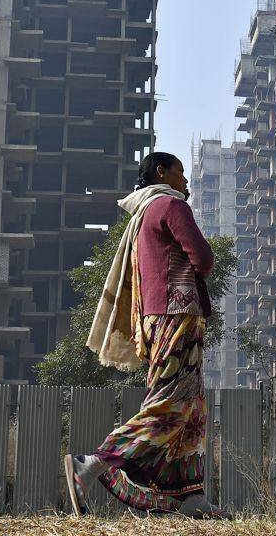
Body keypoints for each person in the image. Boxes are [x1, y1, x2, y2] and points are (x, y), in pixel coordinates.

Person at [63, 151, 225, 518]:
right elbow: (203, 258)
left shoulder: (142, 214)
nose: (186, 180)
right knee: (172, 402)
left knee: (191, 407)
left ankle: (191, 498)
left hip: (152, 319)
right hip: (177, 315)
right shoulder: (171, 205)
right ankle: (92, 464)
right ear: (161, 172)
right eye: (180, 171)